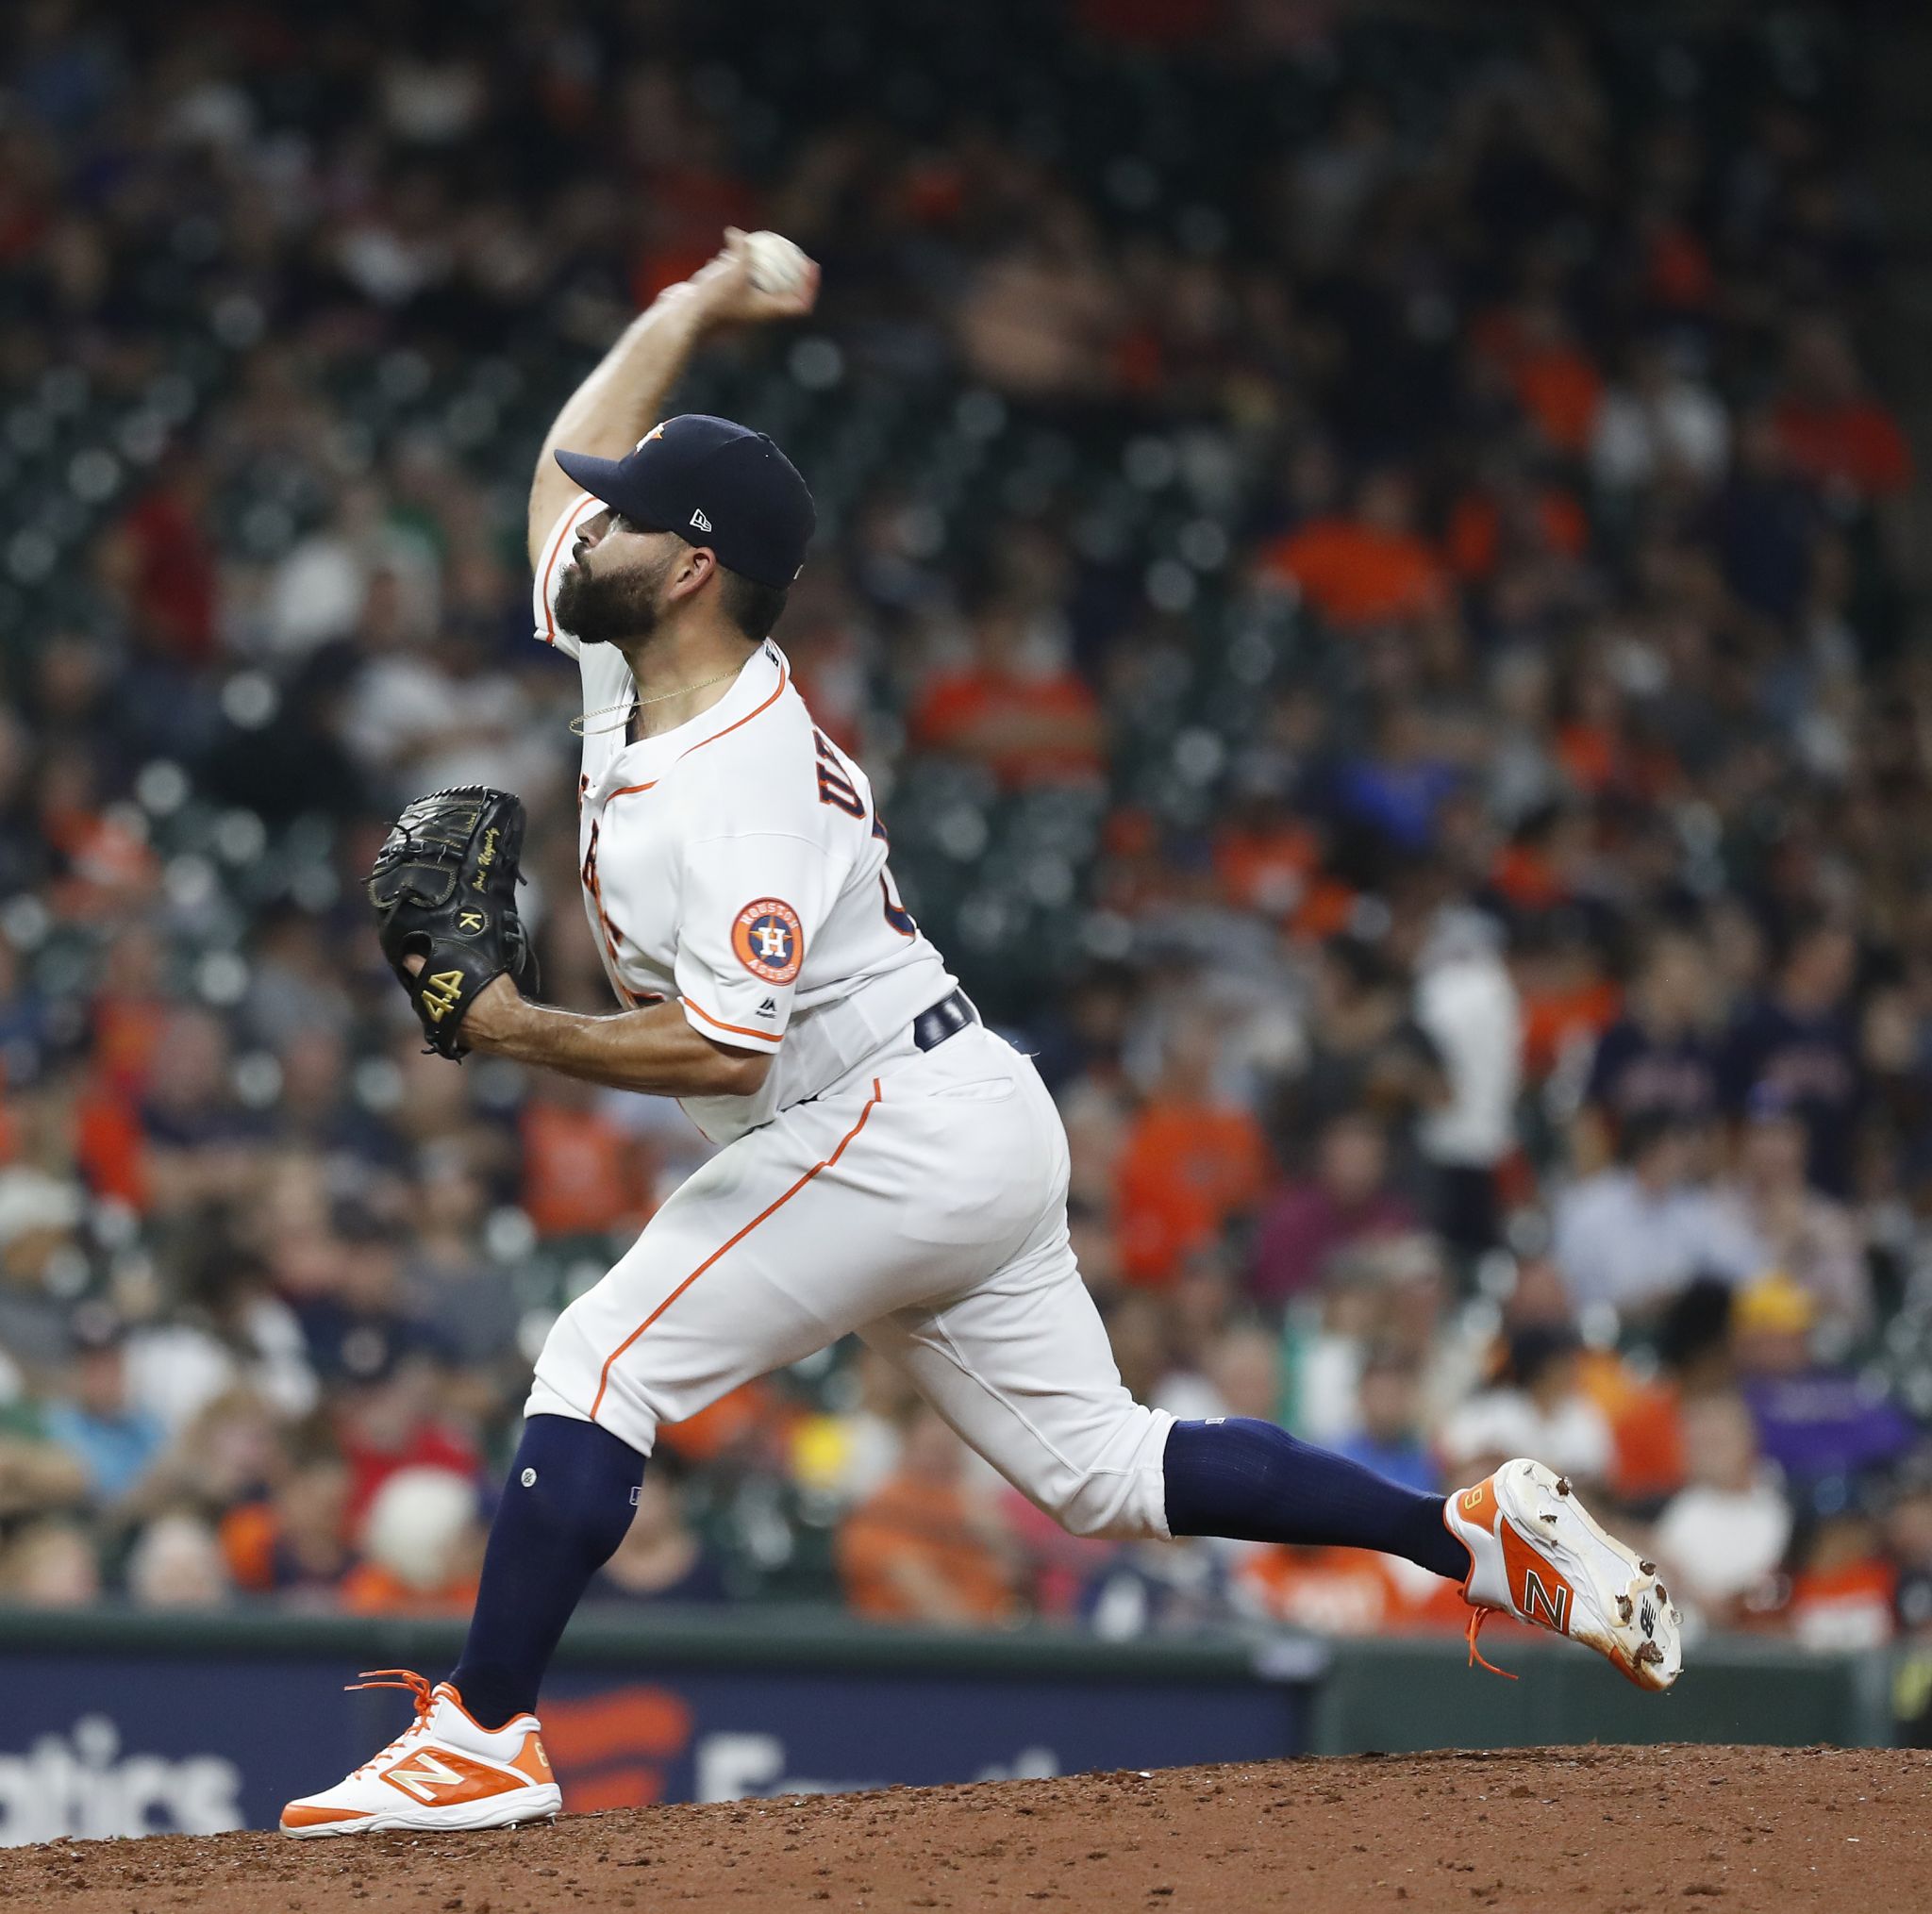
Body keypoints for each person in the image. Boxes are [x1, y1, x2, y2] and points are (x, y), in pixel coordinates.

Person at [281, 230, 1682, 1839]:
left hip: (881, 1118)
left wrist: (518, 1025)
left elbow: (732, 1052)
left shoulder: (737, 771)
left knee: (602, 1353)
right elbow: (547, 476)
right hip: (943, 1109)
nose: (584, 517)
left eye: (629, 509)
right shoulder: (629, 647)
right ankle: (1468, 1535)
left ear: (689, 568)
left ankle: (489, 1728)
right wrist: (693, 306)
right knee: (1102, 1470)